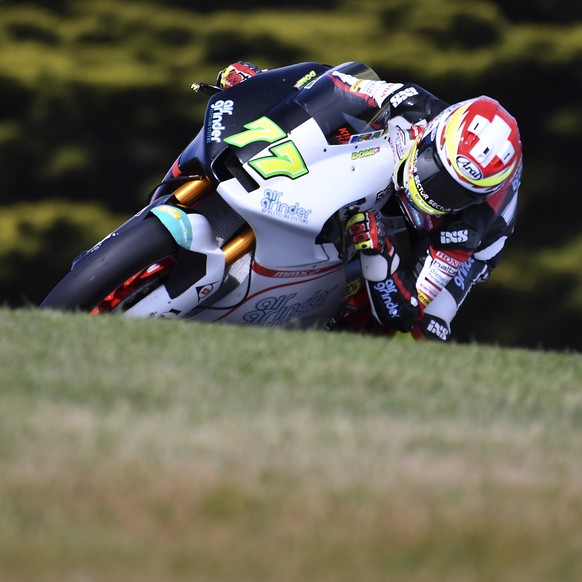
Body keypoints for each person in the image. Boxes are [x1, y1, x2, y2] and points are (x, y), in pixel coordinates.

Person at [215, 62, 523, 341]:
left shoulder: (467, 227)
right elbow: (335, 82)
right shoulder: (411, 101)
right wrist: (262, 83)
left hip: (466, 246)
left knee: (422, 331)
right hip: (389, 175)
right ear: (431, 136)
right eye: (434, 170)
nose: (434, 191)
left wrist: (381, 258)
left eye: (456, 192)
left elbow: (406, 310)